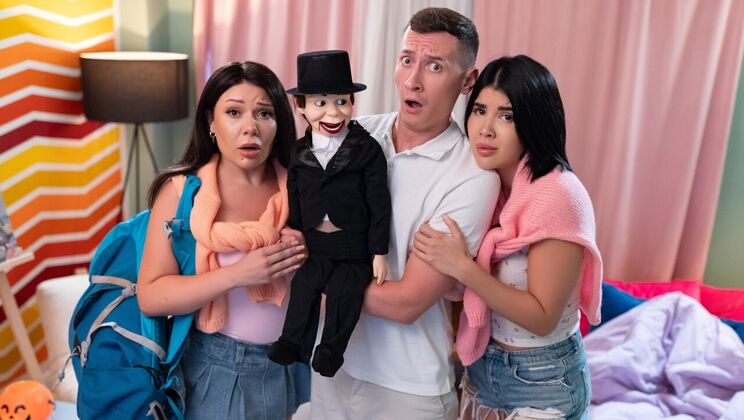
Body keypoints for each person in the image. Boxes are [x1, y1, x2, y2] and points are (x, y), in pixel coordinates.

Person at [310, 8, 500, 420]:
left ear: (467, 81)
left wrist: (312, 282)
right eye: (406, 59)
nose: (413, 80)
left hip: (408, 388)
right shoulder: (351, 135)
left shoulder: (472, 175)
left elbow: (407, 302)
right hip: (331, 364)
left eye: (435, 66)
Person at [413, 55, 603, 420]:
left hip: (544, 377)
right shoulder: (484, 186)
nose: (485, 129)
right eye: (479, 110)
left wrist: (462, 268)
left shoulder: (558, 195)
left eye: (506, 117)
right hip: (483, 367)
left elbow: (543, 317)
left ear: (534, 122)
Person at [137, 61, 311, 419]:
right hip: (218, 368)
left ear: (279, 123)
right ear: (211, 123)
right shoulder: (182, 193)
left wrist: (309, 253)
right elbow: (151, 296)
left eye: (264, 113)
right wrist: (238, 274)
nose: (250, 127)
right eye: (234, 112)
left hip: (293, 362)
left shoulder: (301, 186)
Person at [268, 50, 391, 378]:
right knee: (304, 288)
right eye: (321, 103)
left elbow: (379, 203)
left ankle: (330, 351)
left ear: (352, 103)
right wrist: (293, 230)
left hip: (353, 247)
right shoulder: (299, 151)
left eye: (341, 102)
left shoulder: (367, 149)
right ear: (302, 106)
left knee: (344, 295)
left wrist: (379, 252)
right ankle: (294, 343)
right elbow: (294, 194)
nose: (333, 112)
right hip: (316, 245)